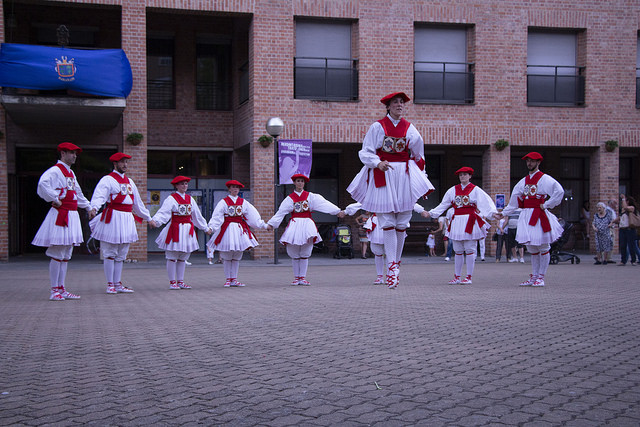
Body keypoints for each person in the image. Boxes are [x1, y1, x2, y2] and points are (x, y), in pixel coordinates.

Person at [347, 91, 435, 289]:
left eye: (402, 102)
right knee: (387, 221)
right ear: (388, 106)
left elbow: (419, 155)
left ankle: (396, 263)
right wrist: (377, 163)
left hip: (403, 175)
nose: (399, 105)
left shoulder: (410, 128)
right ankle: (391, 266)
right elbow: (366, 151)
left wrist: (421, 177)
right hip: (384, 173)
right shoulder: (377, 126)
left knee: (402, 222)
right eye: (395, 102)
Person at [32, 142, 91, 301]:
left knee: (66, 254)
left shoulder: (70, 173)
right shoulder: (55, 170)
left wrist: (88, 207)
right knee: (58, 252)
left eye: (75, 153)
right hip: (61, 214)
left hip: (71, 214)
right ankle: (54, 290)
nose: (74, 156)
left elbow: (77, 193)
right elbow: (42, 184)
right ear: (63, 153)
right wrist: (54, 198)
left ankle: (61, 288)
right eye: (71, 153)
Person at [88, 152, 153, 294]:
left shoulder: (130, 182)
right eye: (122, 162)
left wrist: (148, 218)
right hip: (113, 218)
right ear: (115, 163)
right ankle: (110, 284)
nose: (125, 164)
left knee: (122, 253)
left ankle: (117, 283)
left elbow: (137, 203)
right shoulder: (108, 180)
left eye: (126, 162)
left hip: (126, 218)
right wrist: (94, 208)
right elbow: (99, 196)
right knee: (109, 251)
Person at [423, 167, 498, 285]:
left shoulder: (475, 190)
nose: (462, 176)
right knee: (457, 249)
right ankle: (457, 276)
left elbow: (485, 203)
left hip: (469, 221)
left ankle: (469, 277)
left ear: (470, 176)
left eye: (465, 174)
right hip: (457, 221)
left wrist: (493, 213)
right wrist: (431, 213)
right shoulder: (452, 190)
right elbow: (443, 204)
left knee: (470, 248)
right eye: (460, 175)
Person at [267, 174, 345, 286]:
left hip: (307, 225)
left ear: (304, 183)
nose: (300, 183)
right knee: (294, 251)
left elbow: (323, 204)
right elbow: (281, 212)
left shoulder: (311, 196)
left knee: (306, 250)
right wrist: (272, 224)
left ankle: (302, 277)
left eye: (302, 181)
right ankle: (296, 278)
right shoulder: (289, 199)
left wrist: (336, 211)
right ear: (294, 183)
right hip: (295, 224)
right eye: (298, 181)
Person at [501, 152, 564, 287]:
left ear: (538, 162)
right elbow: (514, 201)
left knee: (543, 246)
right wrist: (503, 213)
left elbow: (559, 191)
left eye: (532, 161)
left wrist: (547, 204)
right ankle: (535, 276)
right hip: (526, 215)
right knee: (532, 247)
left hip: (539, 215)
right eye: (528, 161)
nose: (529, 163)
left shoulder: (544, 179)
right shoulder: (523, 181)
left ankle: (541, 277)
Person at [149, 176, 212, 289]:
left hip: (187, 230)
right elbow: (163, 212)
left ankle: (180, 281)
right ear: (176, 186)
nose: (184, 186)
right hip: (175, 229)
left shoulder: (190, 199)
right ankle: (172, 282)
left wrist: (205, 228)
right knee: (172, 256)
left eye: (186, 183)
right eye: (182, 184)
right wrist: (156, 221)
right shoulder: (171, 199)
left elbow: (197, 216)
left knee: (183, 257)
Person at [208, 180, 269, 287]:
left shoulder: (243, 202)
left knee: (237, 255)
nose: (235, 189)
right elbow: (217, 216)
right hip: (227, 229)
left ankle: (234, 279)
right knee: (227, 255)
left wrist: (263, 225)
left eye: (237, 187)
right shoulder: (223, 202)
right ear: (229, 189)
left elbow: (252, 215)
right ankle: (228, 279)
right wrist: (211, 227)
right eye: (233, 187)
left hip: (239, 230)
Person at [616, 194, 640, 266]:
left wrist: (623, 198)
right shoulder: (623, 210)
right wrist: (612, 222)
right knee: (623, 245)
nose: (622, 202)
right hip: (622, 229)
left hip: (630, 229)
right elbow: (620, 218)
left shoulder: (631, 208)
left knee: (631, 245)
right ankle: (623, 260)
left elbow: (626, 207)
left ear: (628, 201)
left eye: (625, 201)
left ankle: (633, 260)